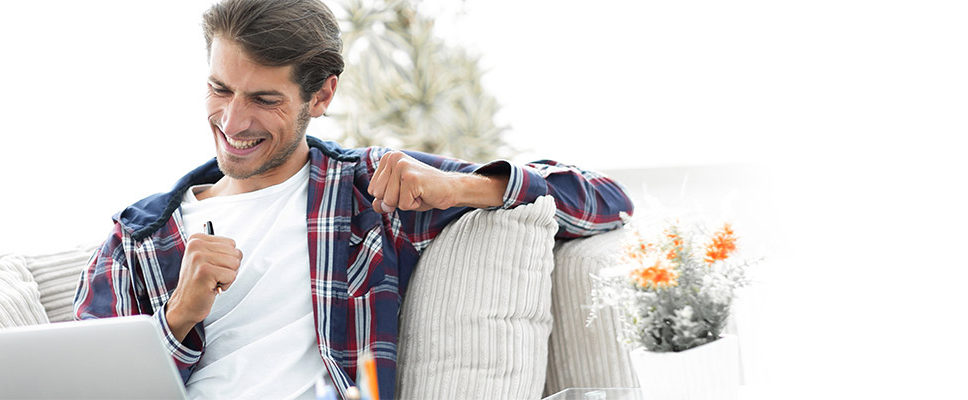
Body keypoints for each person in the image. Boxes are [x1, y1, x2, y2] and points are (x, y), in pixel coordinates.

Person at [73, 0, 633, 398]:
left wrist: (460, 187)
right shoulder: (137, 238)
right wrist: (178, 316)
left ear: (321, 95)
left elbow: (605, 200)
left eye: (264, 99)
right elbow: (84, 389)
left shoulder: (368, 191)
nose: (233, 120)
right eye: (220, 89)